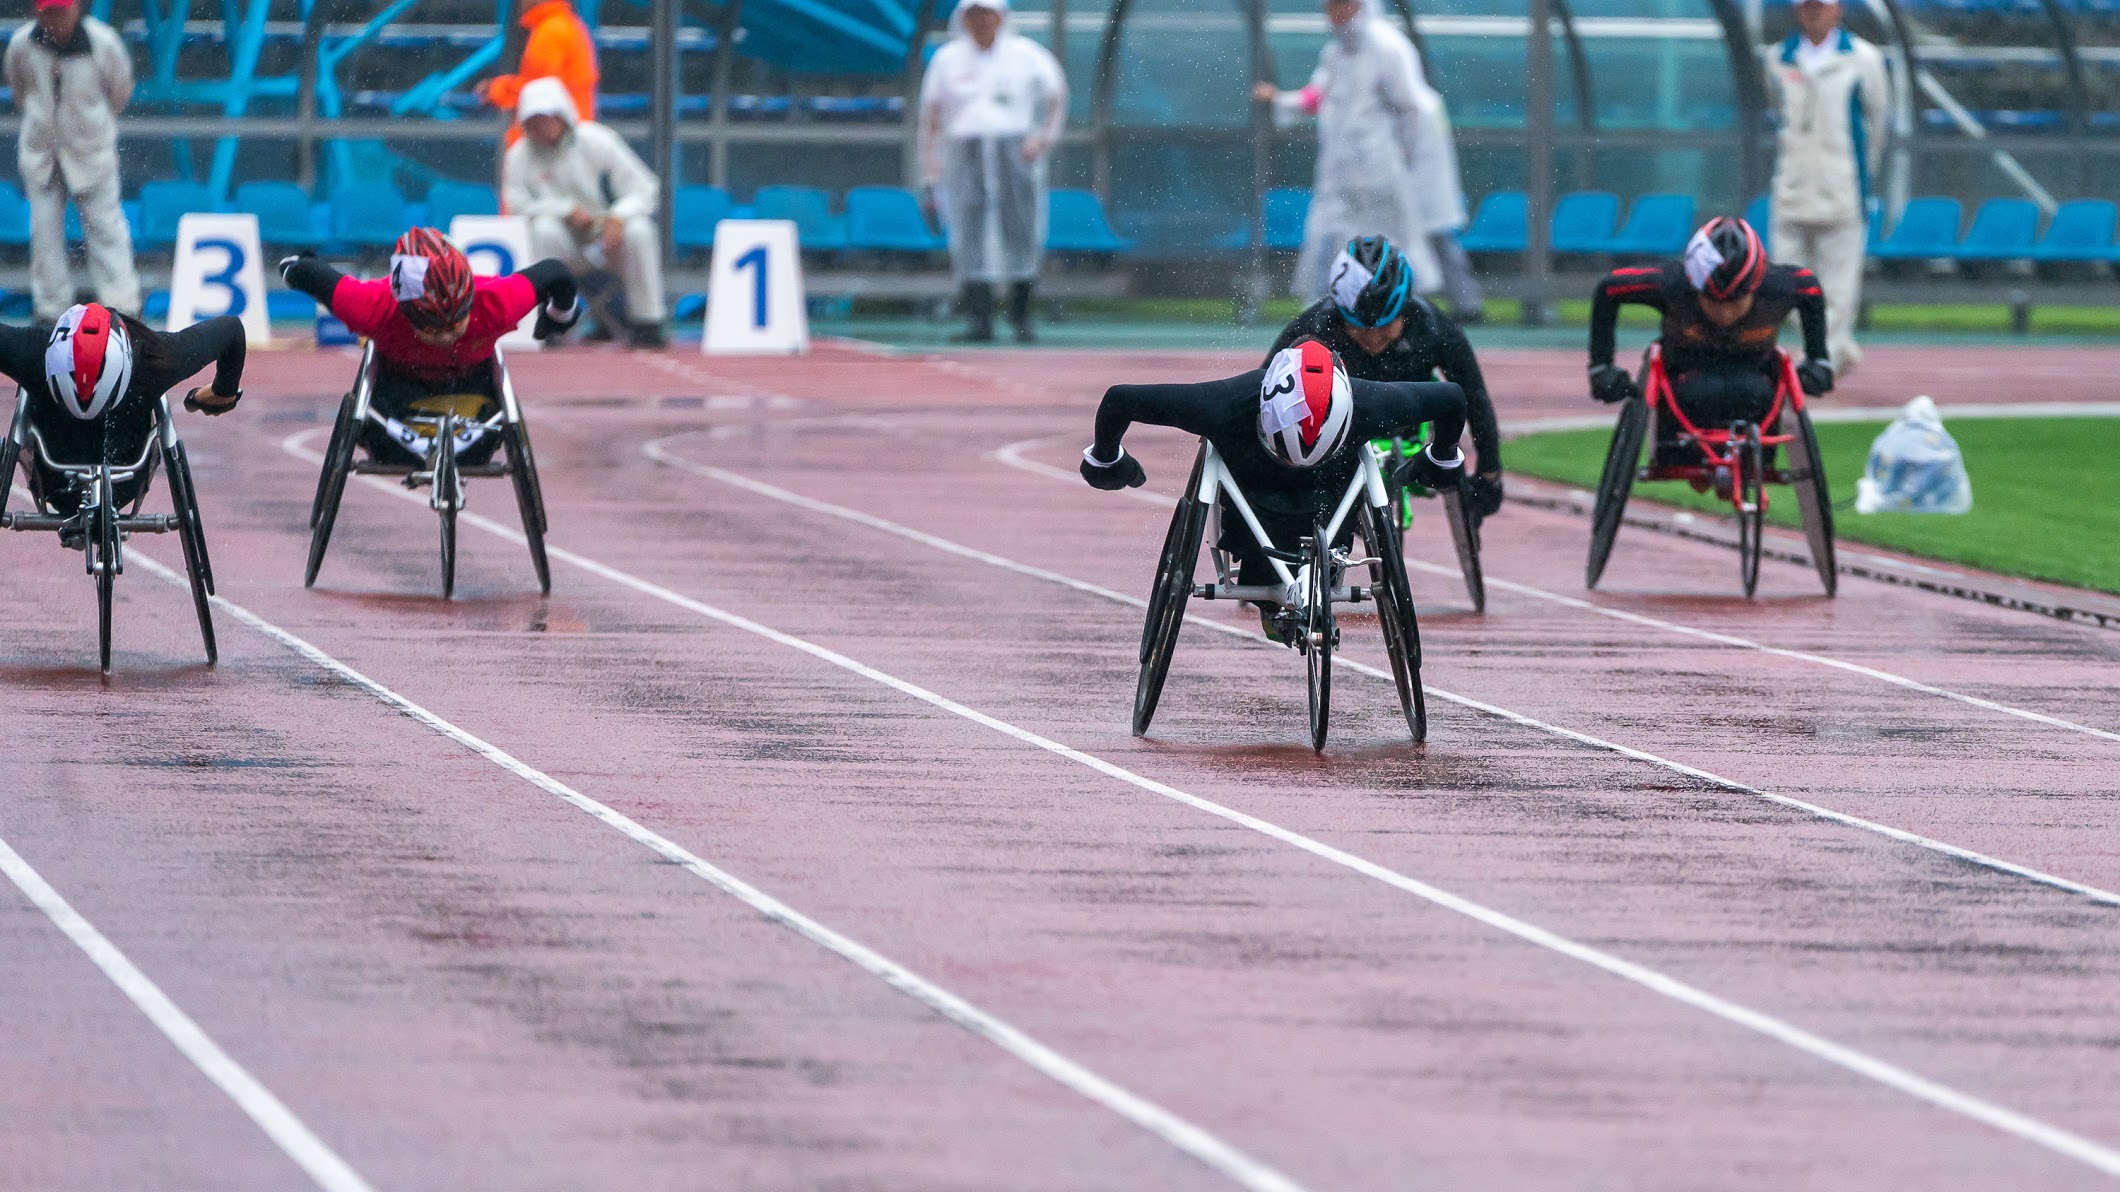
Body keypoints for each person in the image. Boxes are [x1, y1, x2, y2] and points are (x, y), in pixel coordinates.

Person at [1080, 339, 1465, 640]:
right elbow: (1121, 399)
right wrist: (1441, 460)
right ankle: (1275, 607)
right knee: (1266, 579)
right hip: (1253, 519)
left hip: (1330, 515)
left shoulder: (1369, 403)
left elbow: (1453, 399)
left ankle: (1308, 582)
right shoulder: (1227, 402)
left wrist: (1107, 460)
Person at [278, 228, 580, 467]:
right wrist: (299, 264)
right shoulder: (373, 307)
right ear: (405, 311)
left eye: (455, 323)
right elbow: (302, 271)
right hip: (393, 415)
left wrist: (556, 320)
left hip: (474, 413)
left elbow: (558, 274)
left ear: (469, 301)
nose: (446, 336)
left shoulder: (495, 301)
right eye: (432, 327)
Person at [1265, 235, 1502, 519]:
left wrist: (1489, 473)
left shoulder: (1434, 329)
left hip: (1410, 431)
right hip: (1341, 433)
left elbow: (1474, 399)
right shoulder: (1316, 327)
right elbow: (1266, 393)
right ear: (1341, 313)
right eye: (1359, 328)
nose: (1372, 337)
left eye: (1384, 326)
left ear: (1404, 310)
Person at [1586, 217, 1833, 470]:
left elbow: (1811, 289)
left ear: (1755, 287)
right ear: (1694, 285)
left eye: (1735, 303)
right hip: (1685, 379)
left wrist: (1818, 358)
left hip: (1754, 378)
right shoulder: (1672, 285)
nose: (1724, 314)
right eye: (1713, 302)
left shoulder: (1779, 287)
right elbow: (1609, 288)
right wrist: (1601, 365)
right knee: (1700, 392)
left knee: (1755, 390)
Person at [1253, 0, 1439, 304]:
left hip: (1380, 173)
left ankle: (1400, 320)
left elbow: (1412, 108)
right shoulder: (1335, 52)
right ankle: (1322, 324)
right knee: (1327, 247)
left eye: (1341, 5)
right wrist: (1281, 100)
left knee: (1391, 250)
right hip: (1338, 173)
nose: (1333, 14)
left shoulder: (1389, 47)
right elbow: (1317, 97)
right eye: (1330, 6)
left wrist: (1402, 158)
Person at [0, 302, 242, 524]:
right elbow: (231, 330)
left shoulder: (30, 351)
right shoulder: (154, 356)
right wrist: (222, 394)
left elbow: (231, 329)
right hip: (122, 483)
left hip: (58, 481)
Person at [916, 0, 1067, 344]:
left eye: (987, 14)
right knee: (968, 234)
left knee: (1021, 230)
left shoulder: (1028, 55)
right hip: (964, 153)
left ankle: (1021, 316)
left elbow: (1056, 96)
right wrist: (931, 164)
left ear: (1001, 17)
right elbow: (931, 116)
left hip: (1013, 152)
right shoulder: (947, 59)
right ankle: (978, 319)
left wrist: (1042, 139)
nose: (981, 22)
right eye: (974, 14)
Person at [1766, 0, 1890, 376]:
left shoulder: (1863, 59)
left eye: (1821, 6)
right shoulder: (1777, 59)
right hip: (1791, 189)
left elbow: (1877, 123)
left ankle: (1822, 364)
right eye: (1807, 6)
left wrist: (1854, 173)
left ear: (1837, 9)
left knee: (1838, 288)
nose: (1814, 13)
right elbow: (1779, 111)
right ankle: (1832, 351)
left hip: (1842, 191)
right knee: (1784, 282)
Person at [502, 77, 665, 347]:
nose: (542, 126)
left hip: (608, 241)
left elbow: (644, 187)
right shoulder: (519, 155)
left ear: (563, 115)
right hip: (562, 247)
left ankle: (648, 322)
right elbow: (516, 204)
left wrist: (618, 216)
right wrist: (561, 211)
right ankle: (552, 321)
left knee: (640, 231)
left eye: (547, 117)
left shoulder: (598, 141)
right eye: (534, 120)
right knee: (544, 228)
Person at [5, 0, 138, 322]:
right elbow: (18, 89)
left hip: (92, 152)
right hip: (42, 154)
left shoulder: (103, 43)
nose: (55, 19)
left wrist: (90, 123)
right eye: (49, 11)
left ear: (76, 9)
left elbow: (120, 90)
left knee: (107, 231)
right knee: (45, 237)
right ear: (38, 12)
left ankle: (122, 310)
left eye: (60, 11)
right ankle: (50, 312)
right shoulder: (22, 44)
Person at [480, 0, 597, 151]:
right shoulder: (564, 25)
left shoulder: (549, 33)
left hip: (550, 146)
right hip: (565, 139)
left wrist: (496, 90)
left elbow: (540, 93)